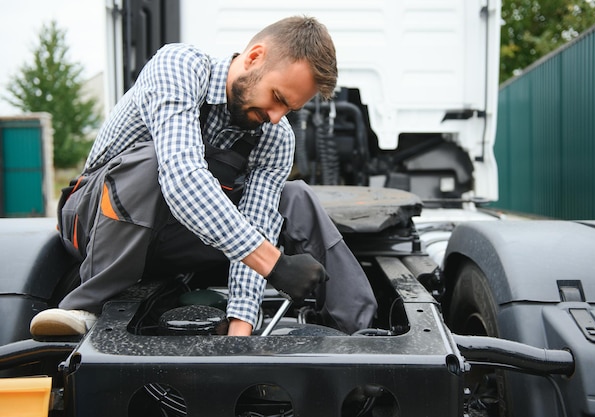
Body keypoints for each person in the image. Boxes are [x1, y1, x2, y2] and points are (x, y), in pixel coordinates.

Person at [30, 16, 377, 338]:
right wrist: (277, 264)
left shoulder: (276, 136)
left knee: (295, 197)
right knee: (155, 161)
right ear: (255, 57)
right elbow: (181, 178)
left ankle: (358, 338)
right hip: (95, 223)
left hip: (172, 239)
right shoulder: (180, 66)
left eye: (289, 109)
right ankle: (88, 305)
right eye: (277, 98)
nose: (276, 117)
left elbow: (258, 223)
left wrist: (239, 332)